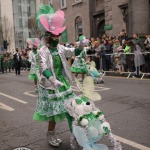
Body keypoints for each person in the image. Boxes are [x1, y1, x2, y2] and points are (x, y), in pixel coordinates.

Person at [33, 4, 76, 147]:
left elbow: (71, 52)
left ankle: (76, 135)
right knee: (53, 114)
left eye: (58, 35)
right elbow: (43, 67)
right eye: (53, 35)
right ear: (47, 36)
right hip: (49, 85)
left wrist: (81, 46)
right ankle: (50, 134)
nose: (56, 38)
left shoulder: (60, 48)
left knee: (71, 108)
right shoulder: (42, 51)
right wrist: (52, 79)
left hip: (61, 81)